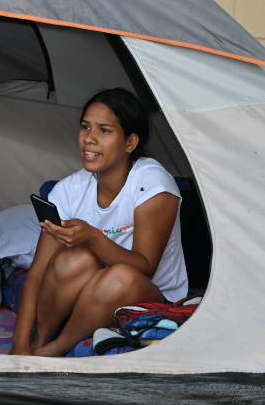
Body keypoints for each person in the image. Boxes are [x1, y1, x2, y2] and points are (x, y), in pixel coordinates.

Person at [10, 88, 188, 356]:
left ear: (130, 143)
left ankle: (56, 350)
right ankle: (38, 343)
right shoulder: (68, 190)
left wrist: (93, 238)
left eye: (104, 130)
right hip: (90, 293)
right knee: (73, 259)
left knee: (119, 276)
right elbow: (37, 273)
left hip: (152, 296)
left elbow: (146, 268)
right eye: (85, 127)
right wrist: (18, 345)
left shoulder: (152, 184)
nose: (89, 139)